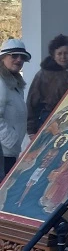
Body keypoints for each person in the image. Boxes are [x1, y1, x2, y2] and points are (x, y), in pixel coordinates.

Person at [26, 34, 68, 137]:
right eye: (59, 54)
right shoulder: (43, 74)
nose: (63, 57)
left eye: (66, 53)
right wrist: (31, 130)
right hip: (49, 119)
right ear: (53, 55)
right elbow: (32, 103)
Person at [0, 39, 31, 174]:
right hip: (3, 151)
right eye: (14, 55)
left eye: (22, 57)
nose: (19, 60)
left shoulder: (14, 82)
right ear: (2, 58)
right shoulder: (1, 81)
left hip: (8, 151)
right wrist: (11, 141)